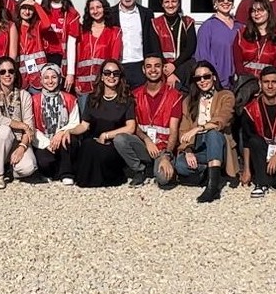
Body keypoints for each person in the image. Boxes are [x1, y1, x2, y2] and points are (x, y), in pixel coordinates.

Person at [71, 62, 145, 188]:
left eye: (115, 73)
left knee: (100, 152)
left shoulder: (126, 99)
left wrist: (106, 135)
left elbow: (131, 127)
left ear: (120, 77)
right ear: (102, 76)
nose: (111, 76)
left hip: (114, 144)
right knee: (87, 145)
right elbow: (84, 126)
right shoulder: (92, 98)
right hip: (94, 141)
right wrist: (68, 132)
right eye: (107, 73)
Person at [174, 61, 234, 202]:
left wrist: (198, 128)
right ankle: (210, 171)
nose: (202, 81)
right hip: (198, 144)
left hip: (219, 142)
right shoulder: (188, 101)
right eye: (198, 78)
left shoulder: (226, 96)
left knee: (213, 134)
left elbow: (222, 119)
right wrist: (188, 150)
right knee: (180, 164)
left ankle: (212, 187)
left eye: (206, 76)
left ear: (214, 77)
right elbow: (184, 130)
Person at [237, 66, 276, 196]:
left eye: (274, 82)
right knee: (254, 140)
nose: (270, 86)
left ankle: (266, 176)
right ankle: (261, 183)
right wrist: (247, 170)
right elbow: (247, 142)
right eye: (266, 82)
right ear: (260, 84)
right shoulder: (250, 109)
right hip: (261, 153)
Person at [0, 57, 37, 188]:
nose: (7, 75)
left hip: (17, 142)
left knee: (29, 167)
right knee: (5, 130)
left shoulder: (24, 95)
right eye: (3, 72)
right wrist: (22, 125)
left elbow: (29, 126)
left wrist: (22, 147)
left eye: (11, 71)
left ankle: (10, 169)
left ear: (15, 74)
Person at [131, 54, 183, 188]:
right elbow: (134, 126)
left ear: (163, 68)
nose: (153, 70)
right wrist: (147, 140)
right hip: (144, 145)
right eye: (149, 66)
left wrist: (166, 156)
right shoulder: (135, 95)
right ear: (143, 70)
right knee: (121, 140)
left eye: (157, 66)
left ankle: (160, 165)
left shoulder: (175, 96)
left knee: (163, 179)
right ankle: (140, 169)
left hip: (163, 148)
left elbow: (173, 131)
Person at [28, 65, 80, 183]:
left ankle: (67, 174)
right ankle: (49, 172)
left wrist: (61, 133)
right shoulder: (34, 100)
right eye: (46, 78)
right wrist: (47, 143)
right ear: (41, 80)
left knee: (69, 141)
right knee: (44, 161)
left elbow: (74, 122)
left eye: (54, 77)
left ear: (59, 79)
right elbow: (32, 126)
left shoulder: (70, 99)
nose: (50, 81)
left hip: (62, 139)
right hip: (44, 140)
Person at [232, 0, 276, 105]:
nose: (256, 14)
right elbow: (237, 62)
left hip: (268, 87)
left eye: (260, 10)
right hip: (246, 87)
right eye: (253, 11)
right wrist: (248, 82)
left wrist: (264, 83)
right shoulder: (241, 34)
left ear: (268, 12)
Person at [70, 0, 122, 95]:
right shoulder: (82, 31)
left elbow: (114, 60)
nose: (95, 11)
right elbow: (76, 58)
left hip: (104, 86)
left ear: (104, 8)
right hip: (83, 86)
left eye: (98, 7)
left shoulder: (115, 32)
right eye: (92, 8)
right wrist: (76, 81)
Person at [147, 0, 198, 86]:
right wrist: (168, 72)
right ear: (162, 4)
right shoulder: (155, 23)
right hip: (163, 68)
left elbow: (190, 48)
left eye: (174, 1)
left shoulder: (187, 22)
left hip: (184, 67)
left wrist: (174, 66)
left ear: (178, 3)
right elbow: (155, 49)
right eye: (167, 2)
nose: (170, 5)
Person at [193, 0, 240, 92]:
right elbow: (202, 57)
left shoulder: (240, 27)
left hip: (238, 84)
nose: (226, 2)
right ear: (215, 3)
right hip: (216, 84)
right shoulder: (207, 27)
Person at [113, 0, 150, 87]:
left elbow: (151, 40)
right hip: (118, 65)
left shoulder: (147, 13)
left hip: (140, 65)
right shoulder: (110, 14)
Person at [37, 0, 79, 68]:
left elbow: (72, 44)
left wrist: (70, 72)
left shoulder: (71, 13)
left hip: (62, 59)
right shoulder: (41, 11)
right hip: (43, 58)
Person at [14, 0, 50, 87]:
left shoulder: (37, 26)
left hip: (37, 76)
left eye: (30, 9)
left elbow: (47, 24)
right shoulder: (13, 27)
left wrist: (35, 4)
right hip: (20, 76)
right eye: (24, 8)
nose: (27, 12)